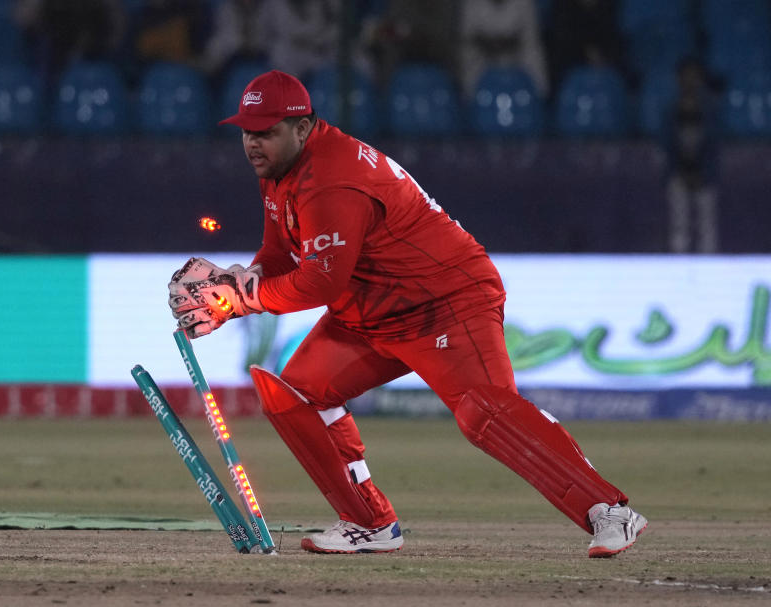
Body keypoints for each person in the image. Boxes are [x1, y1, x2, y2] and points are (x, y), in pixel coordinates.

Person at [168, 70, 647, 557]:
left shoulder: (330, 181)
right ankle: (368, 523)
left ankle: (609, 510)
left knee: (484, 412)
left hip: (444, 301)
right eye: (248, 131)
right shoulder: (281, 169)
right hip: (372, 310)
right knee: (295, 394)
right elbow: (281, 255)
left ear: (304, 127)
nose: (252, 143)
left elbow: (320, 281)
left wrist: (244, 298)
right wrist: (236, 288)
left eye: (265, 131)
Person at [663, 58, 720, 253]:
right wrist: (678, 172)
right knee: (679, 225)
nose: (690, 80)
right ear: (679, 79)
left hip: (705, 174)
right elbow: (667, 146)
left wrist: (703, 173)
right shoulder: (671, 110)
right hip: (678, 173)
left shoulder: (710, 109)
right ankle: (678, 263)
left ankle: (709, 263)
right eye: (686, 76)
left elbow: (713, 146)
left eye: (694, 76)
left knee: (707, 225)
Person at [459, 0, 548, 97]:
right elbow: (469, 36)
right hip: (481, 59)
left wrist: (500, 43)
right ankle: (470, 102)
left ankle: (537, 100)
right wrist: (495, 43)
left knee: (532, 54)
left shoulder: (525, 2)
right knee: (467, 55)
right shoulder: (471, 2)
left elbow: (529, 36)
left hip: (517, 57)